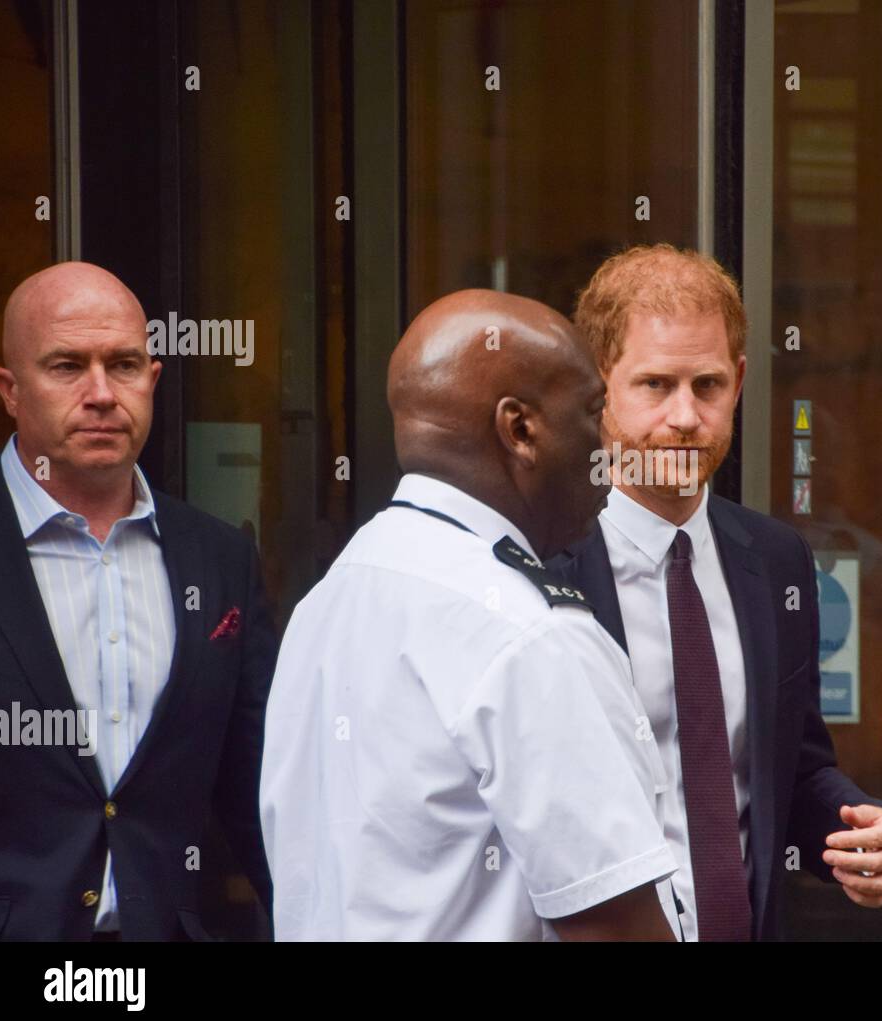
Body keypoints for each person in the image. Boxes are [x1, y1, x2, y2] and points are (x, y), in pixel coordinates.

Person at [260, 289, 677, 941]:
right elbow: (612, 921)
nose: (610, 446)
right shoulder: (527, 628)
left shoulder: (333, 595)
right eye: (594, 411)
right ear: (520, 430)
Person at [549, 244, 882, 941]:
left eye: (709, 385)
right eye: (655, 385)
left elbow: (795, 769)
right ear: (598, 387)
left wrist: (876, 833)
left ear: (740, 382)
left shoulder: (776, 560)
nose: (686, 416)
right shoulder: (543, 565)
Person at [0, 262, 275, 941]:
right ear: (10, 391)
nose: (100, 393)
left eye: (122, 364)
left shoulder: (219, 558)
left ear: (151, 378)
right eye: (66, 366)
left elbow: (261, 795)